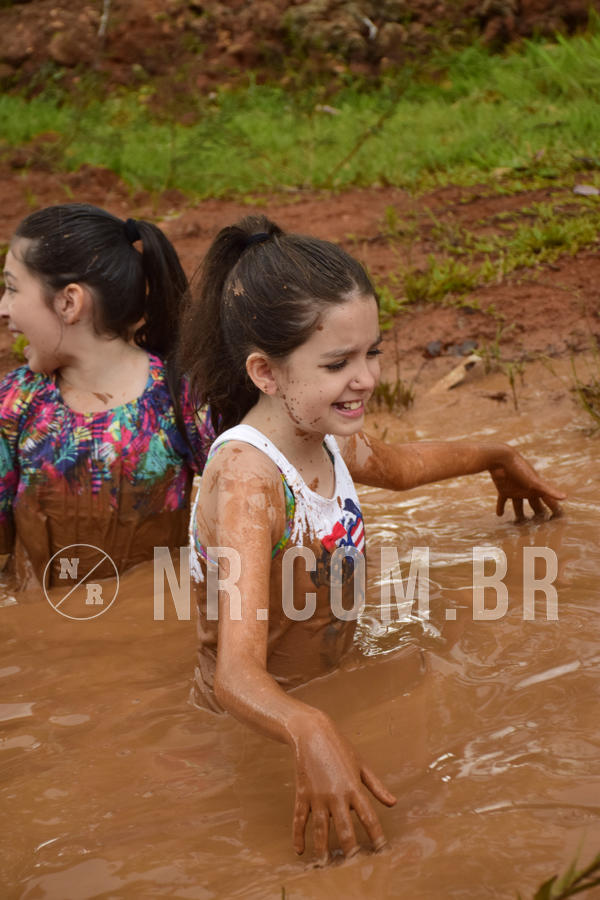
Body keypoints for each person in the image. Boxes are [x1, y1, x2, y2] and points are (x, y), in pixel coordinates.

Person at [179, 214, 566, 864]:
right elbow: (235, 677)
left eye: (372, 352)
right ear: (266, 373)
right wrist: (308, 727)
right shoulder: (250, 481)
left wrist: (496, 453)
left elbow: (406, 467)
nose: (366, 379)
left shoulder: (324, 431)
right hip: (259, 727)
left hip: (320, 695)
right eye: (338, 362)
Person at [0, 203, 212, 589]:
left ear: (69, 302)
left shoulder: (179, 399)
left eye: (12, 288)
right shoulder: (13, 403)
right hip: (46, 642)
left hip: (151, 631)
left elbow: (239, 511)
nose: (3, 308)